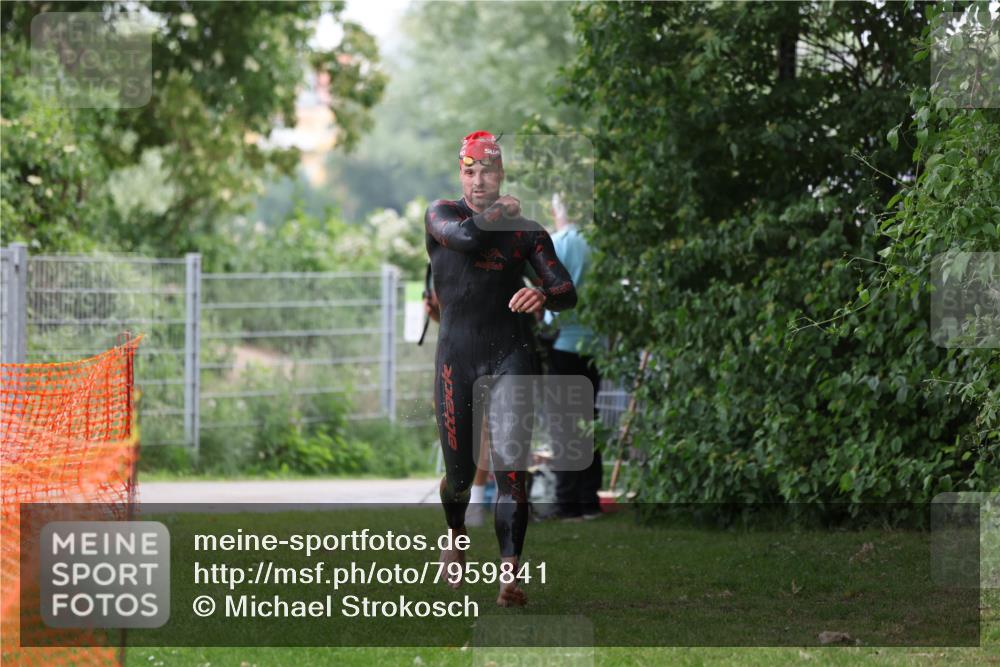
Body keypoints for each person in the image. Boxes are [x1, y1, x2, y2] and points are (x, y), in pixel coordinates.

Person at [426, 130, 577, 607]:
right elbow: (468, 239)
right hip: (456, 357)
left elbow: (566, 289)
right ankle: (455, 535)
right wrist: (499, 211)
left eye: (487, 171)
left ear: (501, 173)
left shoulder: (527, 232)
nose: (478, 181)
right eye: (469, 172)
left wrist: (544, 293)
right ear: (460, 174)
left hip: (511, 353)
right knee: (459, 475)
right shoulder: (441, 215)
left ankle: (508, 574)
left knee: (511, 465)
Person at [543, 193, 603, 521]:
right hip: (594, 346)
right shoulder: (599, 246)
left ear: (556, 211)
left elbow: (547, 291)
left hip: (564, 343)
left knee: (563, 426)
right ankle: (589, 500)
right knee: (588, 423)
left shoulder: (557, 244)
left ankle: (566, 503)